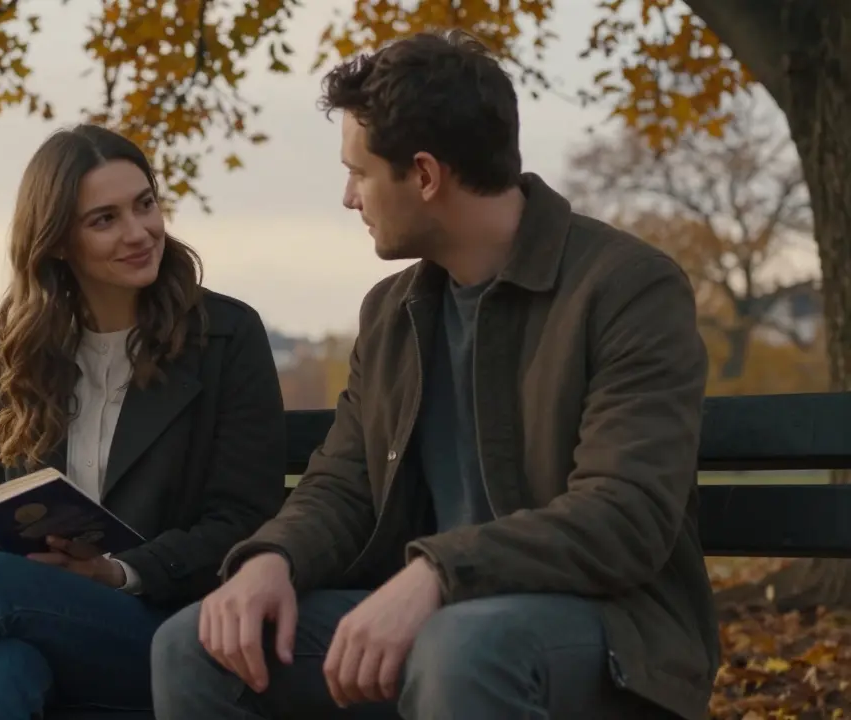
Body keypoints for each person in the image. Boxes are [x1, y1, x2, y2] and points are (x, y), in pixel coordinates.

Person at [150, 29, 719, 720]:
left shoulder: (626, 288)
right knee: (196, 645)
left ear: (423, 175)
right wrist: (274, 558)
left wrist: (441, 573)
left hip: (610, 635)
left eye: (359, 173)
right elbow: (345, 483)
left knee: (463, 648)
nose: (348, 198)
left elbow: (624, 515)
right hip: (432, 617)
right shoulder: (393, 313)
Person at [0, 124, 287, 720]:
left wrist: (115, 571)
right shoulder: (24, 355)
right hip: (37, 627)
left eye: (145, 205)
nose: (139, 233)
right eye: (104, 219)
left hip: (172, 633)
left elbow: (244, 519)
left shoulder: (225, 338)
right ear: (58, 243)